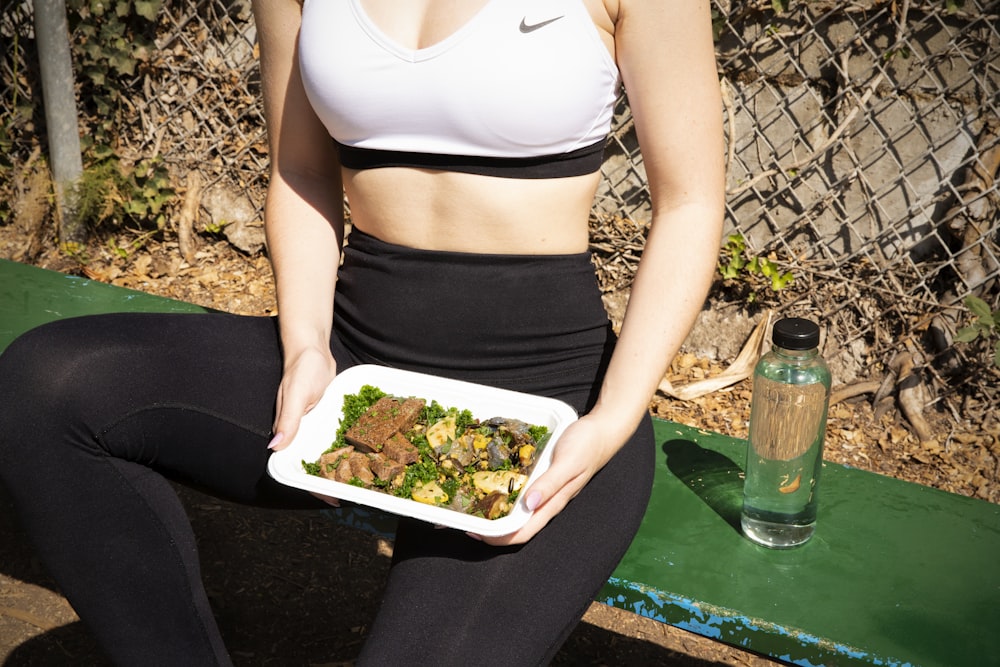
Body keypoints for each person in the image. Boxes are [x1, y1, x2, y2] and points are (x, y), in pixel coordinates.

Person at [0, 0, 724, 664]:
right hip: (354, 372)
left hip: (542, 411)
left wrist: (612, 419)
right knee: (45, 390)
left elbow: (689, 202)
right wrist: (307, 344)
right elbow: (301, 169)